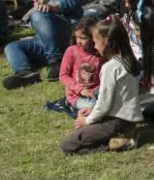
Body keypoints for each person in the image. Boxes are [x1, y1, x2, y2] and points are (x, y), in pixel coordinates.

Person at [61, 19, 142, 154]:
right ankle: (121, 135)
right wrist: (92, 110)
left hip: (116, 122)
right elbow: (115, 99)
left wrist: (88, 120)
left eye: (96, 41)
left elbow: (105, 104)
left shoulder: (111, 67)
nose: (95, 46)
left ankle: (119, 143)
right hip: (127, 120)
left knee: (68, 144)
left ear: (107, 41)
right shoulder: (128, 60)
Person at [3, 0, 86, 89]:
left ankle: (56, 62)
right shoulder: (38, 8)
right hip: (45, 43)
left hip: (66, 36)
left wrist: (50, 7)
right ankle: (25, 73)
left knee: (38, 15)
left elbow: (65, 3)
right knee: (11, 47)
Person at [51, 18, 105, 115]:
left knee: (109, 102)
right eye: (77, 37)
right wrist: (80, 89)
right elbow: (63, 75)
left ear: (94, 37)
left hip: (96, 90)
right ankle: (70, 105)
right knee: (94, 108)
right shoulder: (72, 51)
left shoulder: (99, 52)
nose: (79, 41)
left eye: (83, 38)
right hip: (76, 95)